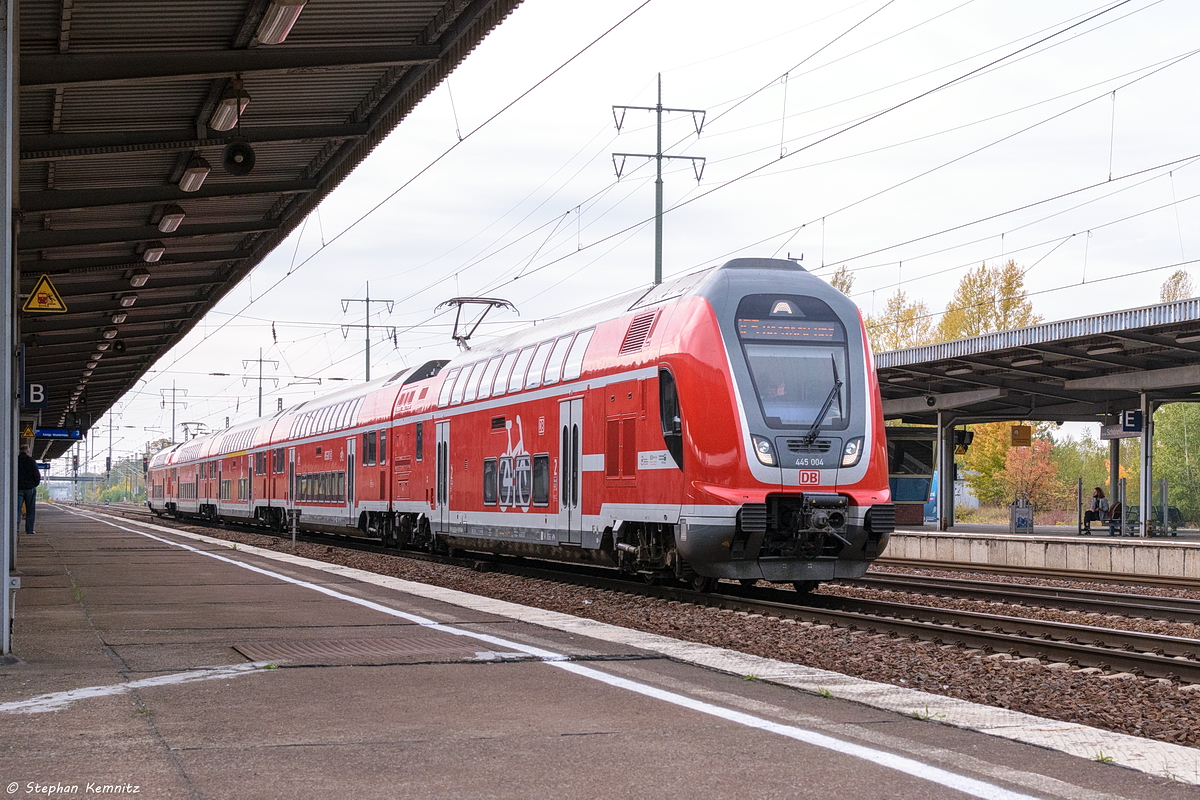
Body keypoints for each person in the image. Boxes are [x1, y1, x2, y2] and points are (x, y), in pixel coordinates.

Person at [17, 444, 40, 535]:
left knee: (17, 509)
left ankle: (16, 529)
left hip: (18, 488)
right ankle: (29, 530)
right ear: (27, 451)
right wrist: (35, 484)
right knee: (30, 510)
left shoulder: (16, 460)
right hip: (30, 488)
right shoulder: (31, 461)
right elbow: (36, 474)